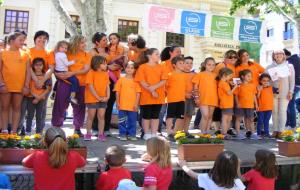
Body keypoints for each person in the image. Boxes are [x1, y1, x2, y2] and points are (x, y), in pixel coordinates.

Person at [51, 35, 91, 136]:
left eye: (84, 42)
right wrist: (57, 74)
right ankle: (56, 127)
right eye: (82, 42)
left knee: (79, 107)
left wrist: (72, 73)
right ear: (75, 43)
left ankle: (77, 128)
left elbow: (86, 69)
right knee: (60, 106)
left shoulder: (87, 55)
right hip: (65, 83)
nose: (84, 44)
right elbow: (55, 63)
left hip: (81, 84)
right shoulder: (65, 52)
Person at [18, 30, 54, 135]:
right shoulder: (28, 51)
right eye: (40, 38)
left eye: (45, 38)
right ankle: (23, 129)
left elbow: (51, 68)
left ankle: (39, 132)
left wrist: (42, 80)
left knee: (41, 109)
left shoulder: (49, 52)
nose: (42, 40)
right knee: (25, 108)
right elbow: (28, 67)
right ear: (35, 38)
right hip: (29, 81)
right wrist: (35, 79)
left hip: (45, 83)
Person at [90, 32, 120, 137]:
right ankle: (95, 128)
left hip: (111, 80)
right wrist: (108, 67)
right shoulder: (93, 52)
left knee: (109, 104)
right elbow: (93, 65)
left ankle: (106, 128)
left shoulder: (110, 49)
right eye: (103, 40)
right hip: (98, 80)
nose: (106, 41)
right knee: (96, 104)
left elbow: (122, 52)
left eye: (106, 39)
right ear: (97, 42)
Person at [0, 31, 30, 134]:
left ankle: (13, 132)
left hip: (19, 87)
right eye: (20, 40)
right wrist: (1, 84)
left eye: (23, 40)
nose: (23, 42)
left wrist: (26, 86)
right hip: (6, 86)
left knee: (17, 108)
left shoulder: (26, 54)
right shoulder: (2, 53)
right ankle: (4, 130)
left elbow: (28, 72)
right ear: (12, 41)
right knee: (4, 107)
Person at [135, 48, 167, 140]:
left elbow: (164, 80)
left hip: (158, 96)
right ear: (149, 56)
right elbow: (141, 81)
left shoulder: (162, 67)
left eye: (158, 54)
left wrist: (154, 88)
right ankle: (146, 133)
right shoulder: (142, 67)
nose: (158, 55)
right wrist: (152, 90)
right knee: (146, 115)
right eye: (156, 54)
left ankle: (154, 133)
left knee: (155, 116)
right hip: (146, 95)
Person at [179, 151, 245, 190]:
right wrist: (237, 166)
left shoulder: (208, 178)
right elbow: (239, 178)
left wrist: (183, 166)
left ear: (217, 164)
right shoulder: (237, 183)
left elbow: (192, 174)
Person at [266, 49, 295, 138]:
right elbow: (265, 79)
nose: (278, 55)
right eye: (276, 54)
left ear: (283, 55)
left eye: (280, 54)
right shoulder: (269, 67)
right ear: (273, 56)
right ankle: (275, 130)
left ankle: (281, 131)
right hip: (273, 92)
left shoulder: (289, 66)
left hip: (285, 93)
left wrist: (291, 91)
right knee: (274, 112)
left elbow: (292, 80)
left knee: (282, 112)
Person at [84, 56, 110, 141]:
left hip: (103, 98)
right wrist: (97, 97)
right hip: (92, 99)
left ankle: (101, 134)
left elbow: (107, 86)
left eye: (106, 63)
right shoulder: (91, 73)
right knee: (91, 116)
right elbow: (90, 86)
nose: (106, 65)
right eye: (104, 63)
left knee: (101, 116)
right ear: (97, 64)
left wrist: (108, 96)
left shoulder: (106, 73)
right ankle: (88, 133)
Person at [114, 61, 141, 141]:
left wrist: (136, 104)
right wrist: (117, 102)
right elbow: (117, 92)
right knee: (122, 120)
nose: (129, 69)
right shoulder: (121, 80)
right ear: (125, 68)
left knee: (132, 121)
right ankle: (122, 134)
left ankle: (131, 134)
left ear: (135, 70)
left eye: (132, 68)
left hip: (132, 106)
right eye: (128, 67)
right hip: (122, 105)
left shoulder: (136, 81)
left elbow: (138, 93)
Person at [26, 58, 52, 135]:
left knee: (39, 116)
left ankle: (38, 132)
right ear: (33, 66)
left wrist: (39, 97)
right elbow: (29, 88)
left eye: (40, 65)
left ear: (43, 66)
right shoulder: (30, 76)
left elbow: (48, 89)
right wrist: (36, 96)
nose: (38, 67)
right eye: (36, 65)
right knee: (30, 115)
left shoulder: (46, 76)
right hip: (31, 98)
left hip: (41, 99)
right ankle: (28, 131)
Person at [192, 57, 218, 134]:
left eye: (213, 65)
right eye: (209, 64)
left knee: (210, 116)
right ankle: (202, 132)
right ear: (205, 65)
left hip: (213, 98)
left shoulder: (216, 76)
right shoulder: (200, 74)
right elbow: (195, 87)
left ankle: (207, 132)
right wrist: (196, 98)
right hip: (203, 98)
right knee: (205, 115)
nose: (211, 66)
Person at [234, 69, 260, 140]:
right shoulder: (239, 86)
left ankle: (252, 133)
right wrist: (237, 103)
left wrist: (256, 104)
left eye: (251, 76)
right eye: (248, 76)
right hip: (241, 106)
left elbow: (254, 95)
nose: (250, 77)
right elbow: (236, 95)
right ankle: (238, 133)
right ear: (242, 77)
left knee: (251, 120)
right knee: (239, 119)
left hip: (250, 105)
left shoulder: (252, 85)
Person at [165, 56, 186, 138]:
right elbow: (166, 87)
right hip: (172, 99)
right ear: (174, 65)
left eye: (183, 63)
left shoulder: (184, 75)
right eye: (180, 63)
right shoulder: (170, 75)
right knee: (170, 116)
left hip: (182, 99)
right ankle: (169, 132)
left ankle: (175, 132)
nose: (182, 65)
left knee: (180, 117)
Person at [217, 68, 238, 139]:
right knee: (225, 119)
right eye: (229, 76)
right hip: (226, 104)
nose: (230, 78)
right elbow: (229, 93)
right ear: (224, 75)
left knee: (228, 118)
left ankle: (225, 132)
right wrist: (235, 86)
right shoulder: (224, 83)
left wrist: (229, 82)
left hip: (227, 103)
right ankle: (224, 133)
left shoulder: (223, 82)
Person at [284, 48, 300, 129]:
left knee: (290, 105)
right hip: (298, 85)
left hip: (292, 85)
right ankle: (290, 124)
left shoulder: (290, 61)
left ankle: (291, 124)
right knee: (291, 104)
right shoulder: (297, 59)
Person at [256, 73, 273, 138]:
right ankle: (258, 133)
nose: (266, 82)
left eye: (267, 81)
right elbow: (257, 97)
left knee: (267, 121)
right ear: (260, 81)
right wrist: (259, 90)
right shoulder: (259, 87)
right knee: (260, 121)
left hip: (269, 108)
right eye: (264, 80)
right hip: (261, 108)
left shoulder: (271, 88)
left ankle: (267, 133)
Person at [183, 56, 196, 134]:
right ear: (183, 63)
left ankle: (186, 130)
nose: (189, 65)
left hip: (191, 97)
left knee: (189, 115)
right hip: (182, 97)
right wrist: (185, 94)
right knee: (182, 116)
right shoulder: (180, 73)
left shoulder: (194, 74)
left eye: (191, 63)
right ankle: (179, 131)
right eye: (187, 63)